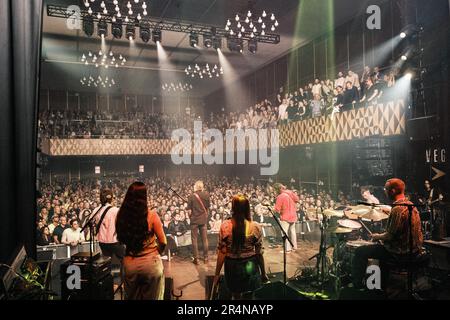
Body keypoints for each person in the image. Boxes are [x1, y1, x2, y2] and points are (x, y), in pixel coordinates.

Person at [352, 178, 423, 289]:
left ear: (393, 191)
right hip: (414, 250)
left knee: (360, 251)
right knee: (381, 250)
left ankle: (357, 286)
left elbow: (389, 236)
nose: (384, 191)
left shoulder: (397, 210)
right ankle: (382, 285)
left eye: (386, 188)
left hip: (400, 253)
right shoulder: (410, 205)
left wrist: (377, 236)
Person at [116, 182, 167, 300]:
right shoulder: (152, 215)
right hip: (151, 264)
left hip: (130, 264)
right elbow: (163, 241)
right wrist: (156, 252)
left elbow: (121, 237)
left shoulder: (121, 215)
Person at [213, 195, 268, 299]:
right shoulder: (255, 226)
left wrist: (216, 274)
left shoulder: (225, 226)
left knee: (236, 295)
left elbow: (222, 253)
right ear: (248, 208)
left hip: (232, 266)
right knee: (250, 295)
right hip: (250, 265)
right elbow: (258, 253)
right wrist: (263, 273)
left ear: (233, 208)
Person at [94, 188, 125, 263]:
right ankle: (125, 274)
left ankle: (107, 274)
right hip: (114, 241)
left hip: (102, 242)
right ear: (111, 199)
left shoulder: (96, 210)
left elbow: (92, 222)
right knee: (125, 259)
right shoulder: (116, 210)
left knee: (106, 262)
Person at [187, 180, 210, 264]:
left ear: (196, 186)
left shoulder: (191, 196)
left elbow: (189, 211)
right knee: (205, 239)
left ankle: (196, 259)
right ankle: (206, 258)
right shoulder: (206, 195)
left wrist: (191, 217)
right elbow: (207, 208)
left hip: (194, 220)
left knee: (194, 239)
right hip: (203, 220)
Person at [274, 183, 299, 253]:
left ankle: (288, 249)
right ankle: (294, 247)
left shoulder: (280, 196)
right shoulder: (290, 192)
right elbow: (297, 199)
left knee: (284, 233)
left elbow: (277, 209)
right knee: (293, 232)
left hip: (285, 216)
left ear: (277, 189)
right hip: (293, 215)